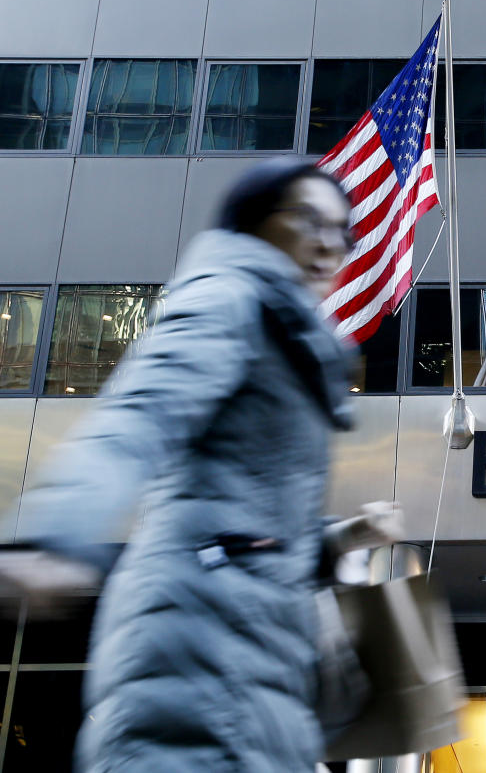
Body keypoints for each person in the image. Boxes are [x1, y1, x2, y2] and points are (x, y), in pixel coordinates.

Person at [0, 158, 402, 771]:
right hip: (201, 653)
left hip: (254, 663)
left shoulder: (283, 334)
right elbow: (144, 409)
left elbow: (246, 512)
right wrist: (53, 533)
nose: (329, 244)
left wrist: (346, 537)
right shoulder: (231, 296)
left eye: (341, 229)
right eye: (307, 220)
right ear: (254, 225)